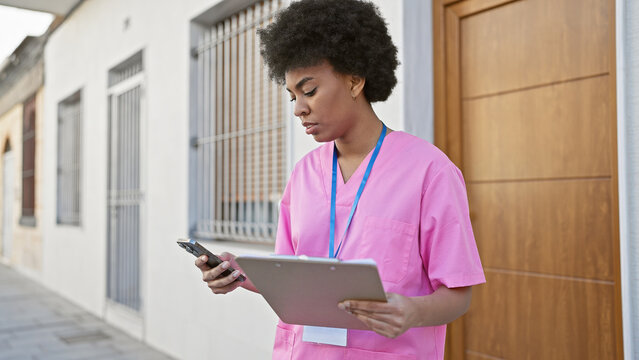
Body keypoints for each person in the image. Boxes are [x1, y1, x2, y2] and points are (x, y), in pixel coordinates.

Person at [194, 0, 485, 358]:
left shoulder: (430, 171)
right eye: (293, 97)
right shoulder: (304, 174)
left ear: (355, 80)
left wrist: (414, 312)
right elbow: (290, 279)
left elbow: (459, 293)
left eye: (310, 90)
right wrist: (235, 272)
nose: (299, 108)